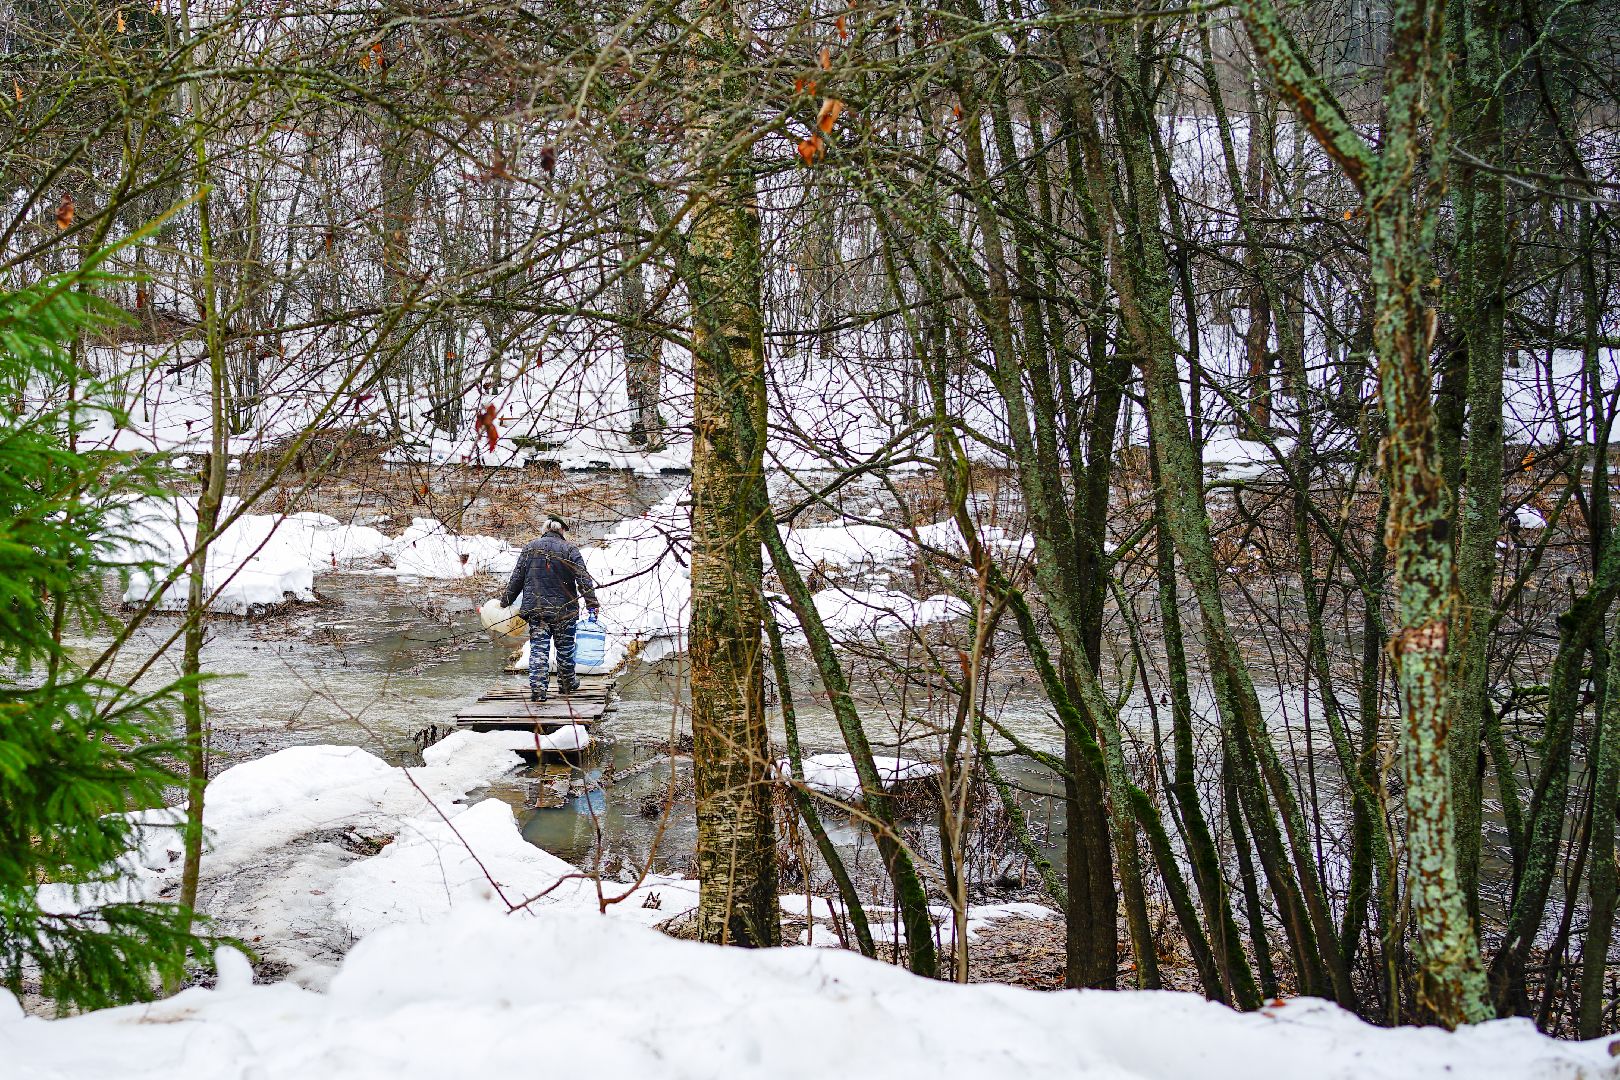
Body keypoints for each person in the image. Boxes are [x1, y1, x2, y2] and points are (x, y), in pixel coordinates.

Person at [501, 516, 600, 701]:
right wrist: (592, 603)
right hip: (565, 610)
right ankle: (567, 684)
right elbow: (583, 579)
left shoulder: (529, 548)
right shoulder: (570, 549)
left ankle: (538, 690)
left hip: (537, 611)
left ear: (545, 529)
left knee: (539, 649)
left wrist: (505, 602)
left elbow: (517, 579)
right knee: (565, 650)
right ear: (561, 530)